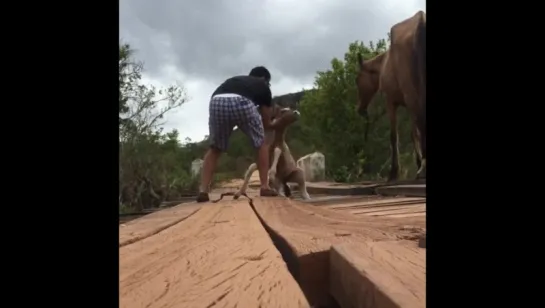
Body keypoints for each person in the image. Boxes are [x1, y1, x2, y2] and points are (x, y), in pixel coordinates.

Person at [196, 66, 280, 202]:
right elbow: (266, 122)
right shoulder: (263, 86)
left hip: (217, 101)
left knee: (215, 148)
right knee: (261, 144)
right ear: (264, 79)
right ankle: (264, 187)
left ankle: (203, 190)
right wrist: (276, 122)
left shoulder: (236, 81)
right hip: (241, 102)